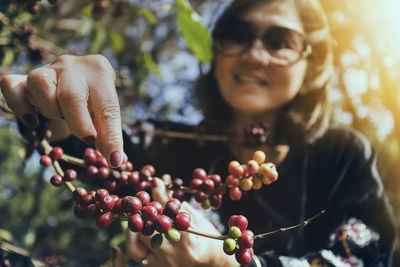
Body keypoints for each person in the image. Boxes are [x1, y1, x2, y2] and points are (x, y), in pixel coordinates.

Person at [1, 0, 397, 266]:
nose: (254, 54)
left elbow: (367, 258)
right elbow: (87, 154)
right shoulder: (164, 144)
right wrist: (54, 102)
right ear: (217, 53)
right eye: (237, 36)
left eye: (280, 41)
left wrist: (229, 262)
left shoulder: (341, 154)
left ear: (311, 66)